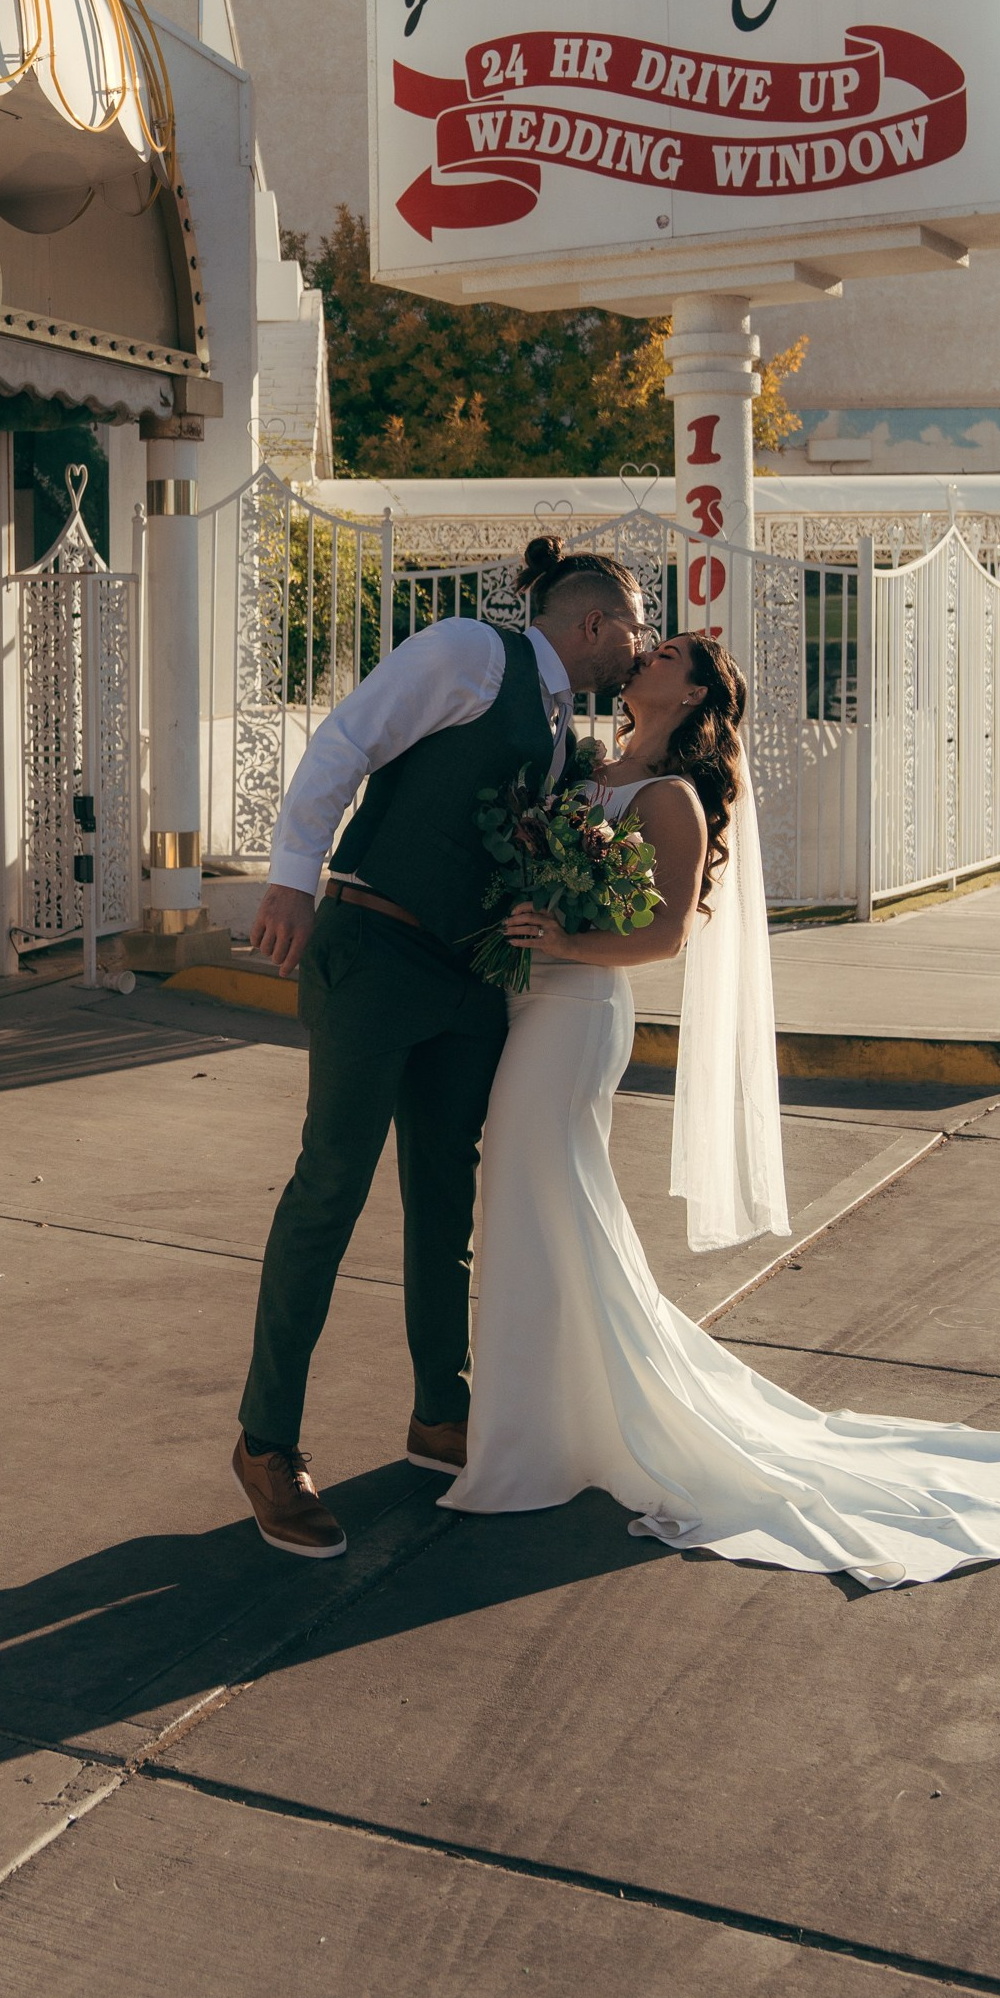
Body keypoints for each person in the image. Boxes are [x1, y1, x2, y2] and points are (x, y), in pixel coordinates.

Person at [446, 619, 1000, 1590]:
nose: (644, 657)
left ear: (692, 694)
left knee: (545, 1200)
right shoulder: (586, 767)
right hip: (523, 1000)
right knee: (533, 1209)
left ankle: (543, 1436)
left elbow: (662, 937)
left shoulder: (672, 798)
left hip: (574, 1016)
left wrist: (566, 944)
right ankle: (546, 1420)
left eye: (664, 657)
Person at [233, 538, 650, 1559]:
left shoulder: (562, 730)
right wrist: (291, 873)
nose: (637, 653)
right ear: (592, 621)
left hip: (467, 983)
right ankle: (266, 1443)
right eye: (635, 630)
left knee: (444, 1200)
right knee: (329, 1186)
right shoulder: (471, 650)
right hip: (373, 949)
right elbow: (346, 741)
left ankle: (437, 1414)